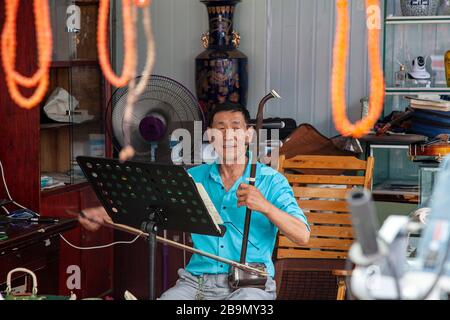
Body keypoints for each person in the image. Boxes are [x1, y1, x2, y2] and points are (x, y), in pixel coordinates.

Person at [79, 103, 310, 300]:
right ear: (210, 136)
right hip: (196, 283)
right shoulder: (192, 177)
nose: (228, 135)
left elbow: (302, 235)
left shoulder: (272, 181)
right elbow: (147, 205)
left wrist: (265, 206)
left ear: (249, 135)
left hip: (248, 285)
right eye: (220, 128)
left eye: (236, 128)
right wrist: (103, 212)